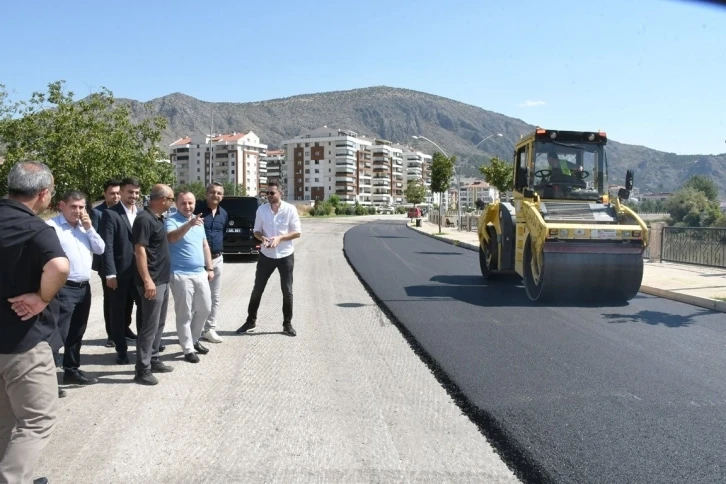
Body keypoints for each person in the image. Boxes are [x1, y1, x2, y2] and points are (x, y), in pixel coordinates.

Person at [0, 161, 69, 484]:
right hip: (22, 342)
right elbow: (58, 266)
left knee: (5, 421)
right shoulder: (36, 229)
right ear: (42, 194)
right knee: (36, 420)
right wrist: (42, 298)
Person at [47, 190, 105, 391]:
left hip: (83, 288)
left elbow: (100, 249)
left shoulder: (84, 228)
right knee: (57, 335)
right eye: (73, 206)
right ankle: (48, 381)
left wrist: (89, 228)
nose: (77, 211)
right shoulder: (52, 227)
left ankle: (71, 370)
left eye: (81, 207)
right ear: (61, 205)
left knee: (77, 332)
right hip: (63, 288)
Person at [236, 181, 301, 337]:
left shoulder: (290, 209)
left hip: (285, 255)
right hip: (266, 255)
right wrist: (262, 238)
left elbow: (297, 232)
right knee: (258, 289)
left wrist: (280, 238)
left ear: (280, 193)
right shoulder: (261, 210)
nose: (269, 196)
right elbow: (257, 232)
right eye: (267, 193)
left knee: (287, 291)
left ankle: (287, 324)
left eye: (272, 193)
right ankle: (250, 321)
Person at [132, 184, 175, 385]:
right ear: (163, 200)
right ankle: (142, 369)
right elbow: (139, 250)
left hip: (163, 279)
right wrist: (147, 280)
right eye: (171, 199)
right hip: (153, 281)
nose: (172, 203)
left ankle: (154, 357)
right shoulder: (144, 219)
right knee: (149, 326)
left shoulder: (158, 218)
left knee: (159, 323)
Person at [166, 191, 214, 363]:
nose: (187, 206)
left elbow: (204, 245)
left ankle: (193, 340)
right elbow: (171, 238)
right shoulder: (171, 220)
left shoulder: (198, 221)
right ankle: (187, 348)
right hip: (180, 274)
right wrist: (189, 224)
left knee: (205, 308)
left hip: (200, 272)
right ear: (177, 205)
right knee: (184, 313)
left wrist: (209, 267)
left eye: (190, 203)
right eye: (183, 203)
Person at [92, 179, 141, 348]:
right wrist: (110, 272)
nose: (133, 196)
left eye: (136, 192)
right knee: (115, 306)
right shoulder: (107, 213)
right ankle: (116, 339)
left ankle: (137, 337)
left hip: (136, 270)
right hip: (115, 269)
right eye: (130, 192)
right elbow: (106, 244)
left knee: (136, 304)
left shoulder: (141, 213)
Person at [198, 182, 227, 344]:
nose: (216, 195)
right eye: (213, 192)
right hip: (198, 260)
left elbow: (221, 233)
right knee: (198, 298)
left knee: (214, 297)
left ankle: (209, 329)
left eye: (219, 193)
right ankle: (192, 330)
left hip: (217, 259)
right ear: (206, 193)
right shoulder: (197, 211)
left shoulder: (224, 214)